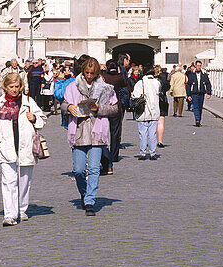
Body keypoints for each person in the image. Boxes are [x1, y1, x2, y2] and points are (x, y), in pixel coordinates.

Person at [0, 71, 47, 226]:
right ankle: (9, 214)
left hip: (25, 146)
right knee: (8, 181)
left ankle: (21, 208)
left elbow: (42, 119)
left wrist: (34, 118)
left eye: (17, 86)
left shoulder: (28, 101)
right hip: (7, 147)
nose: (14, 89)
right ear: (5, 87)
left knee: (24, 181)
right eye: (11, 86)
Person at [63, 57, 119, 215]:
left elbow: (115, 110)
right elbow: (63, 104)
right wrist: (69, 107)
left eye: (92, 73)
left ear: (96, 73)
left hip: (96, 132)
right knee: (79, 170)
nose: (89, 76)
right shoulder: (73, 86)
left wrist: (99, 108)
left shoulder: (105, 88)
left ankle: (89, 201)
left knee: (94, 169)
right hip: (79, 132)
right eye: (86, 72)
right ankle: (84, 192)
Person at [100, 60, 128, 175]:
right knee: (115, 132)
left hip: (104, 107)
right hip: (116, 107)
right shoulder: (120, 77)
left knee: (104, 132)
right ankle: (114, 155)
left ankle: (105, 155)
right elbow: (125, 87)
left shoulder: (104, 77)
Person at [131, 67, 162, 160]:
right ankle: (152, 153)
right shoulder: (157, 83)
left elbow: (135, 96)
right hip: (154, 111)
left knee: (142, 133)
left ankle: (143, 153)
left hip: (143, 111)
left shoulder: (140, 83)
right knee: (152, 134)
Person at [186, 61, 212, 127]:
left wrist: (209, 93)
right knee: (195, 107)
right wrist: (188, 95)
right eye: (197, 65)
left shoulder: (204, 74)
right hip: (194, 93)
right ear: (195, 66)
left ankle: (199, 119)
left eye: (200, 65)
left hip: (201, 93)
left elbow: (208, 84)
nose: (199, 67)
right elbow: (188, 85)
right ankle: (197, 120)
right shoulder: (191, 75)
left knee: (200, 107)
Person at [154, 64, 170, 147]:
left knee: (151, 122)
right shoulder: (163, 81)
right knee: (161, 122)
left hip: (152, 102)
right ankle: (160, 141)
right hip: (162, 101)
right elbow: (167, 88)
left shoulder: (149, 81)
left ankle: (151, 140)